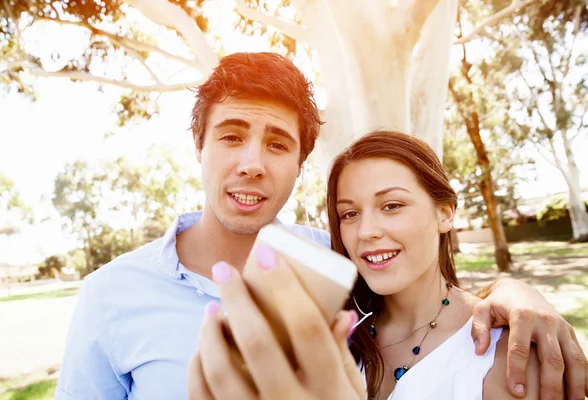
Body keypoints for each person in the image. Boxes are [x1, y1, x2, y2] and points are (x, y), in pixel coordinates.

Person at [55, 52, 587, 400]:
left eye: (278, 144)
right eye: (231, 136)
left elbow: (424, 293)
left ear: (300, 163)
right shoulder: (111, 294)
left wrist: (516, 295)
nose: (252, 163)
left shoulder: (333, 262)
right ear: (200, 146)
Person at [326, 130, 542, 399]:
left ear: (445, 214)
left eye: (392, 206)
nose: (365, 231)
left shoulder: (509, 358)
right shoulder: (335, 336)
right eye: (349, 213)